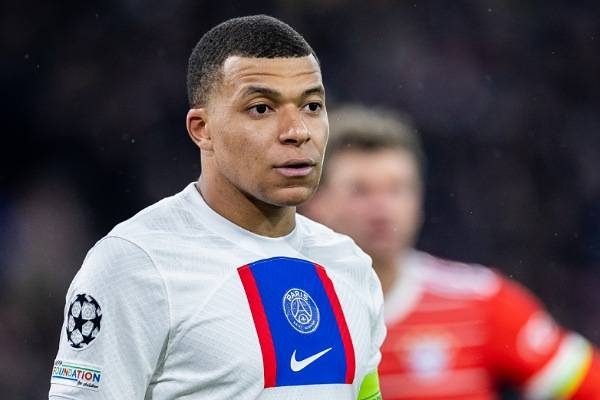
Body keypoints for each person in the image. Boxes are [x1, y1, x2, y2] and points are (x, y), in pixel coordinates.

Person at [48, 16, 385, 400]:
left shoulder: (349, 265)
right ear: (202, 129)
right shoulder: (136, 263)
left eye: (311, 105)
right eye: (261, 108)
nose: (297, 131)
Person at [302, 104, 600, 399]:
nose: (382, 209)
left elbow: (589, 386)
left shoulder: (482, 301)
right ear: (314, 203)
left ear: (418, 200)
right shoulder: (285, 314)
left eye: (397, 189)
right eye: (360, 191)